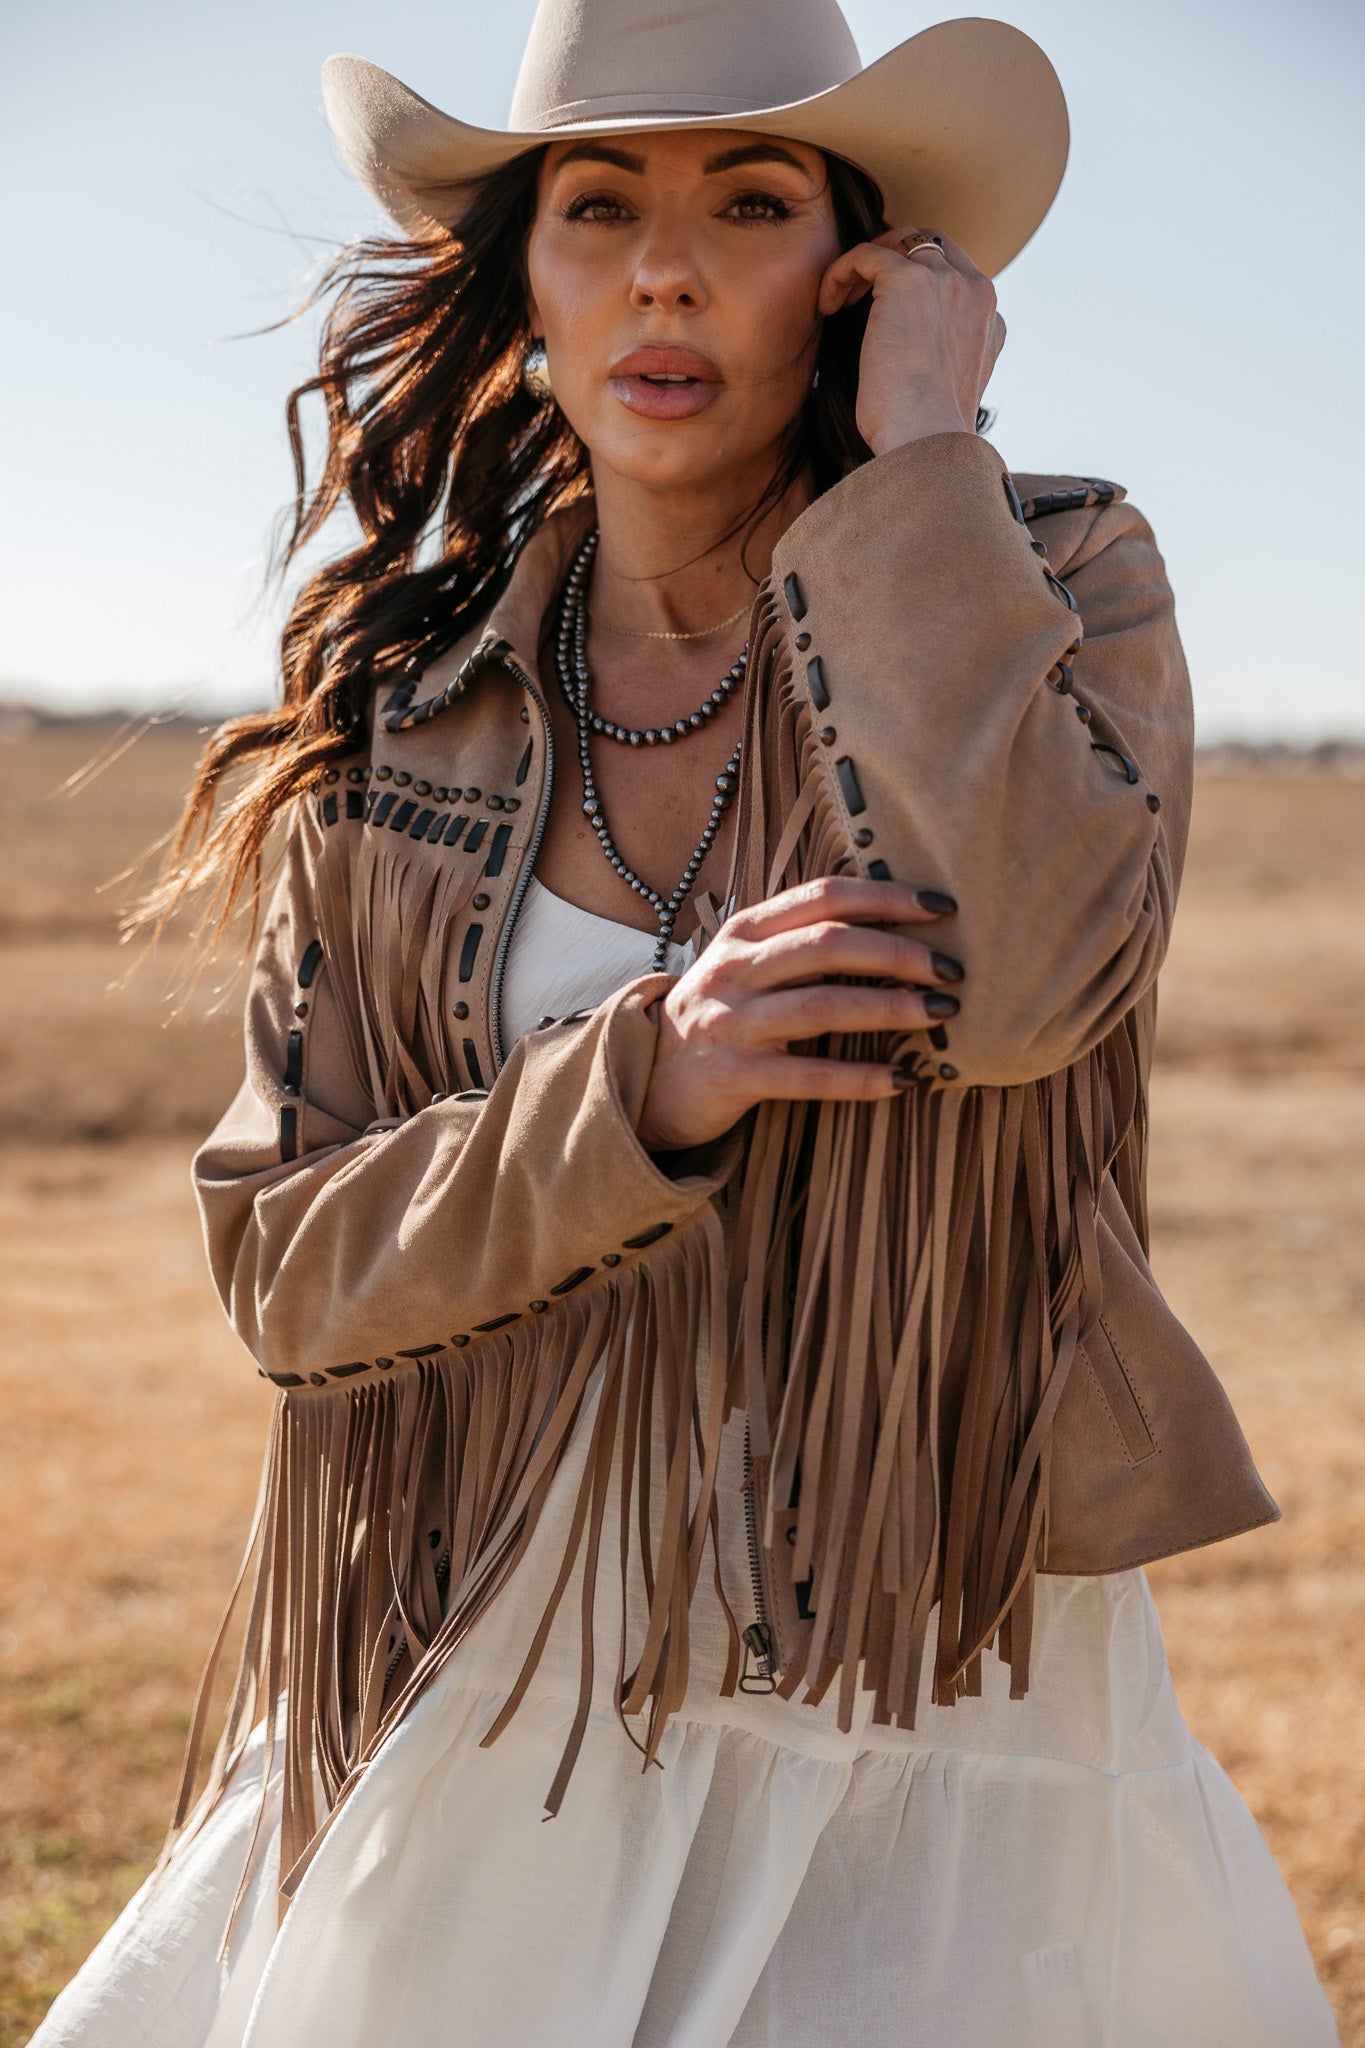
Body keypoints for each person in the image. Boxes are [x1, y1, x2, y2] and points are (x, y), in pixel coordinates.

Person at [31, 1, 1339, 2043]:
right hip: (498, 1661)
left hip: (916, 1670)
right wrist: (639, 1077)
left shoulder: (1047, 574)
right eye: (595, 209)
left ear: (860, 273)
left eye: (745, 204)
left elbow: (1024, 994)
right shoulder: (402, 714)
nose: (662, 269)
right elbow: (286, 1268)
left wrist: (922, 462)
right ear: (525, 282)